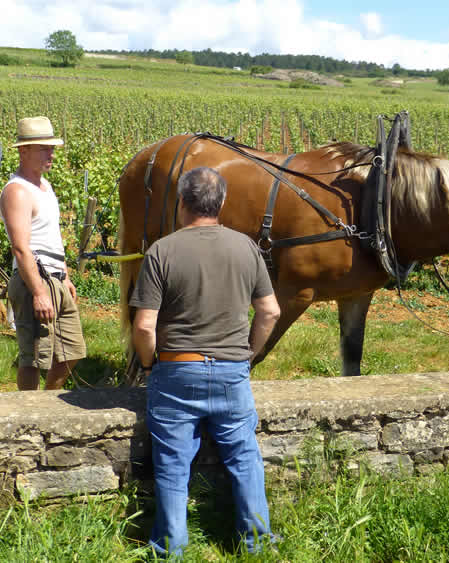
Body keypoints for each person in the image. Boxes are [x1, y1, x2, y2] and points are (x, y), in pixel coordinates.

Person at [130, 166, 281, 557]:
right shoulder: (246, 248)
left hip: (177, 370)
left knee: (173, 465)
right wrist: (247, 355)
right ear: (222, 203)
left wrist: (149, 367)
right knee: (245, 456)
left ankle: (171, 547)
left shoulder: (162, 250)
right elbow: (270, 312)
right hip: (232, 372)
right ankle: (257, 542)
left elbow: (145, 327)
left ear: (182, 202)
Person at [0, 116, 86, 390]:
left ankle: (48, 402)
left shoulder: (45, 187)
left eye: (52, 147)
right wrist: (38, 292)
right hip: (34, 280)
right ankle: (29, 414)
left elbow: (53, 239)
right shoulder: (17, 192)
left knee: (72, 352)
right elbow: (21, 247)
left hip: (56, 278)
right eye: (44, 148)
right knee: (34, 358)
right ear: (23, 150)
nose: (51, 153)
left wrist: (66, 277)